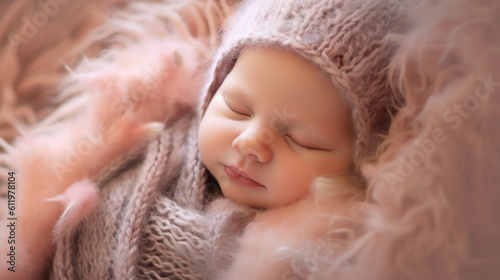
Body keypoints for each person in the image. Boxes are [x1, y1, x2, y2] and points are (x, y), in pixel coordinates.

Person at [1, 0, 409, 279]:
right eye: (236, 108)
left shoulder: (319, 250)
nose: (251, 142)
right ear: (212, 91)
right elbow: (25, 197)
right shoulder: (147, 136)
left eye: (302, 140)